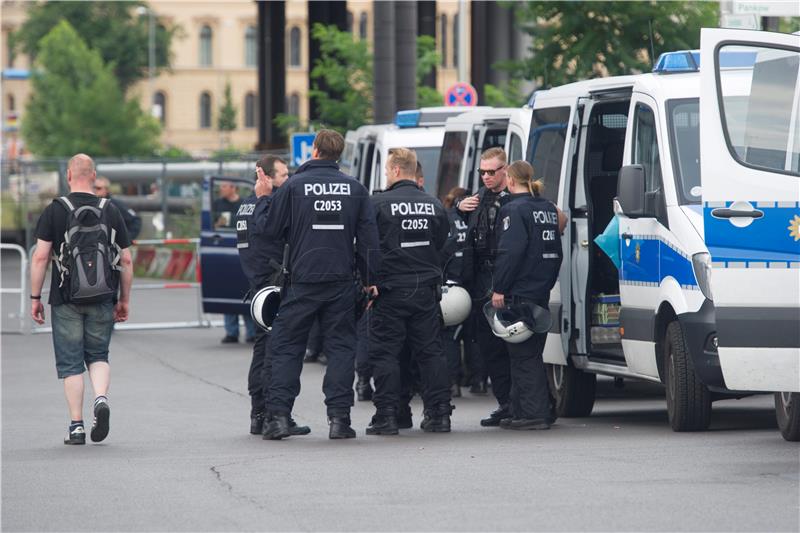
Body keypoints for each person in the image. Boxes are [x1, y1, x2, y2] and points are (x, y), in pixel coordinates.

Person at [260, 129, 380, 440]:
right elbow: (369, 241)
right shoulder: (355, 188)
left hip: (301, 280)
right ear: (338, 154)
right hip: (341, 280)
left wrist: (264, 200)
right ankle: (339, 421)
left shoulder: (294, 186)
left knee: (287, 347)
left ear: (314, 150)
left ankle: (278, 418)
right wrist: (370, 282)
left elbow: (270, 230)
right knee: (341, 348)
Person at [29, 154, 133, 445]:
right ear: (94, 176)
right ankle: (101, 399)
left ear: (69, 176)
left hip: (65, 297)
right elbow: (125, 259)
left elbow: (39, 257)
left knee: (71, 363)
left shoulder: (55, 210)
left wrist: (35, 297)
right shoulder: (109, 209)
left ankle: (76, 426)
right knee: (98, 355)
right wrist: (124, 299)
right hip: (103, 295)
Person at [366, 147, 453, 435]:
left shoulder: (378, 204)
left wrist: (368, 282)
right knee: (431, 353)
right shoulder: (433, 204)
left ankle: (388, 415)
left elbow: (367, 247)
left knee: (386, 353)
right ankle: (439, 414)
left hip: (390, 290)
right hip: (426, 290)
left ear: (395, 170)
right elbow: (442, 243)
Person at [235, 155, 311, 438]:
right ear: (265, 177)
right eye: (282, 175)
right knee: (276, 353)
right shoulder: (267, 204)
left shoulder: (245, 205)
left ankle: (259, 414)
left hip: (259, 286)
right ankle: (274, 416)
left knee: (263, 349)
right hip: (275, 285)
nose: (288, 179)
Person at [490, 160, 562, 429]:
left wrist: (500, 287)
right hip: (540, 288)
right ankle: (526, 410)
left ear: (509, 179)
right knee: (531, 353)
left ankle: (533, 414)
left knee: (522, 355)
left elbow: (511, 253)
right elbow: (556, 250)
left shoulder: (513, 209)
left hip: (519, 291)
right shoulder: (546, 207)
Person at [456, 147, 513, 424]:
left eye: (492, 172)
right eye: (483, 172)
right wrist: (459, 208)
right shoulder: (477, 198)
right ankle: (505, 403)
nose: (487, 177)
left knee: (513, 344)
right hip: (481, 280)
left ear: (505, 170)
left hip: (506, 279)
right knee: (488, 345)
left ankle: (521, 403)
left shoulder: (516, 197)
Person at [214, 180, 256, 343]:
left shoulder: (244, 204)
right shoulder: (217, 204)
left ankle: (251, 332)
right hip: (225, 248)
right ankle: (231, 332)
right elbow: (216, 226)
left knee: (245, 290)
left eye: (224, 186)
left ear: (233, 188)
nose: (221, 189)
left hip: (244, 249)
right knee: (228, 289)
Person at [442, 186, 470, 398]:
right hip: (474, 284)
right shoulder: (476, 220)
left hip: (451, 286)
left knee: (449, 336)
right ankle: (478, 380)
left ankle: (452, 382)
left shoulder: (446, 219)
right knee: (474, 337)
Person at [94, 176, 142, 240]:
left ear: (107, 190)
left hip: (111, 246)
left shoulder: (115, 204)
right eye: (93, 187)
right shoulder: (90, 204)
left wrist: (126, 239)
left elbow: (135, 220)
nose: (95, 190)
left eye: (98, 188)